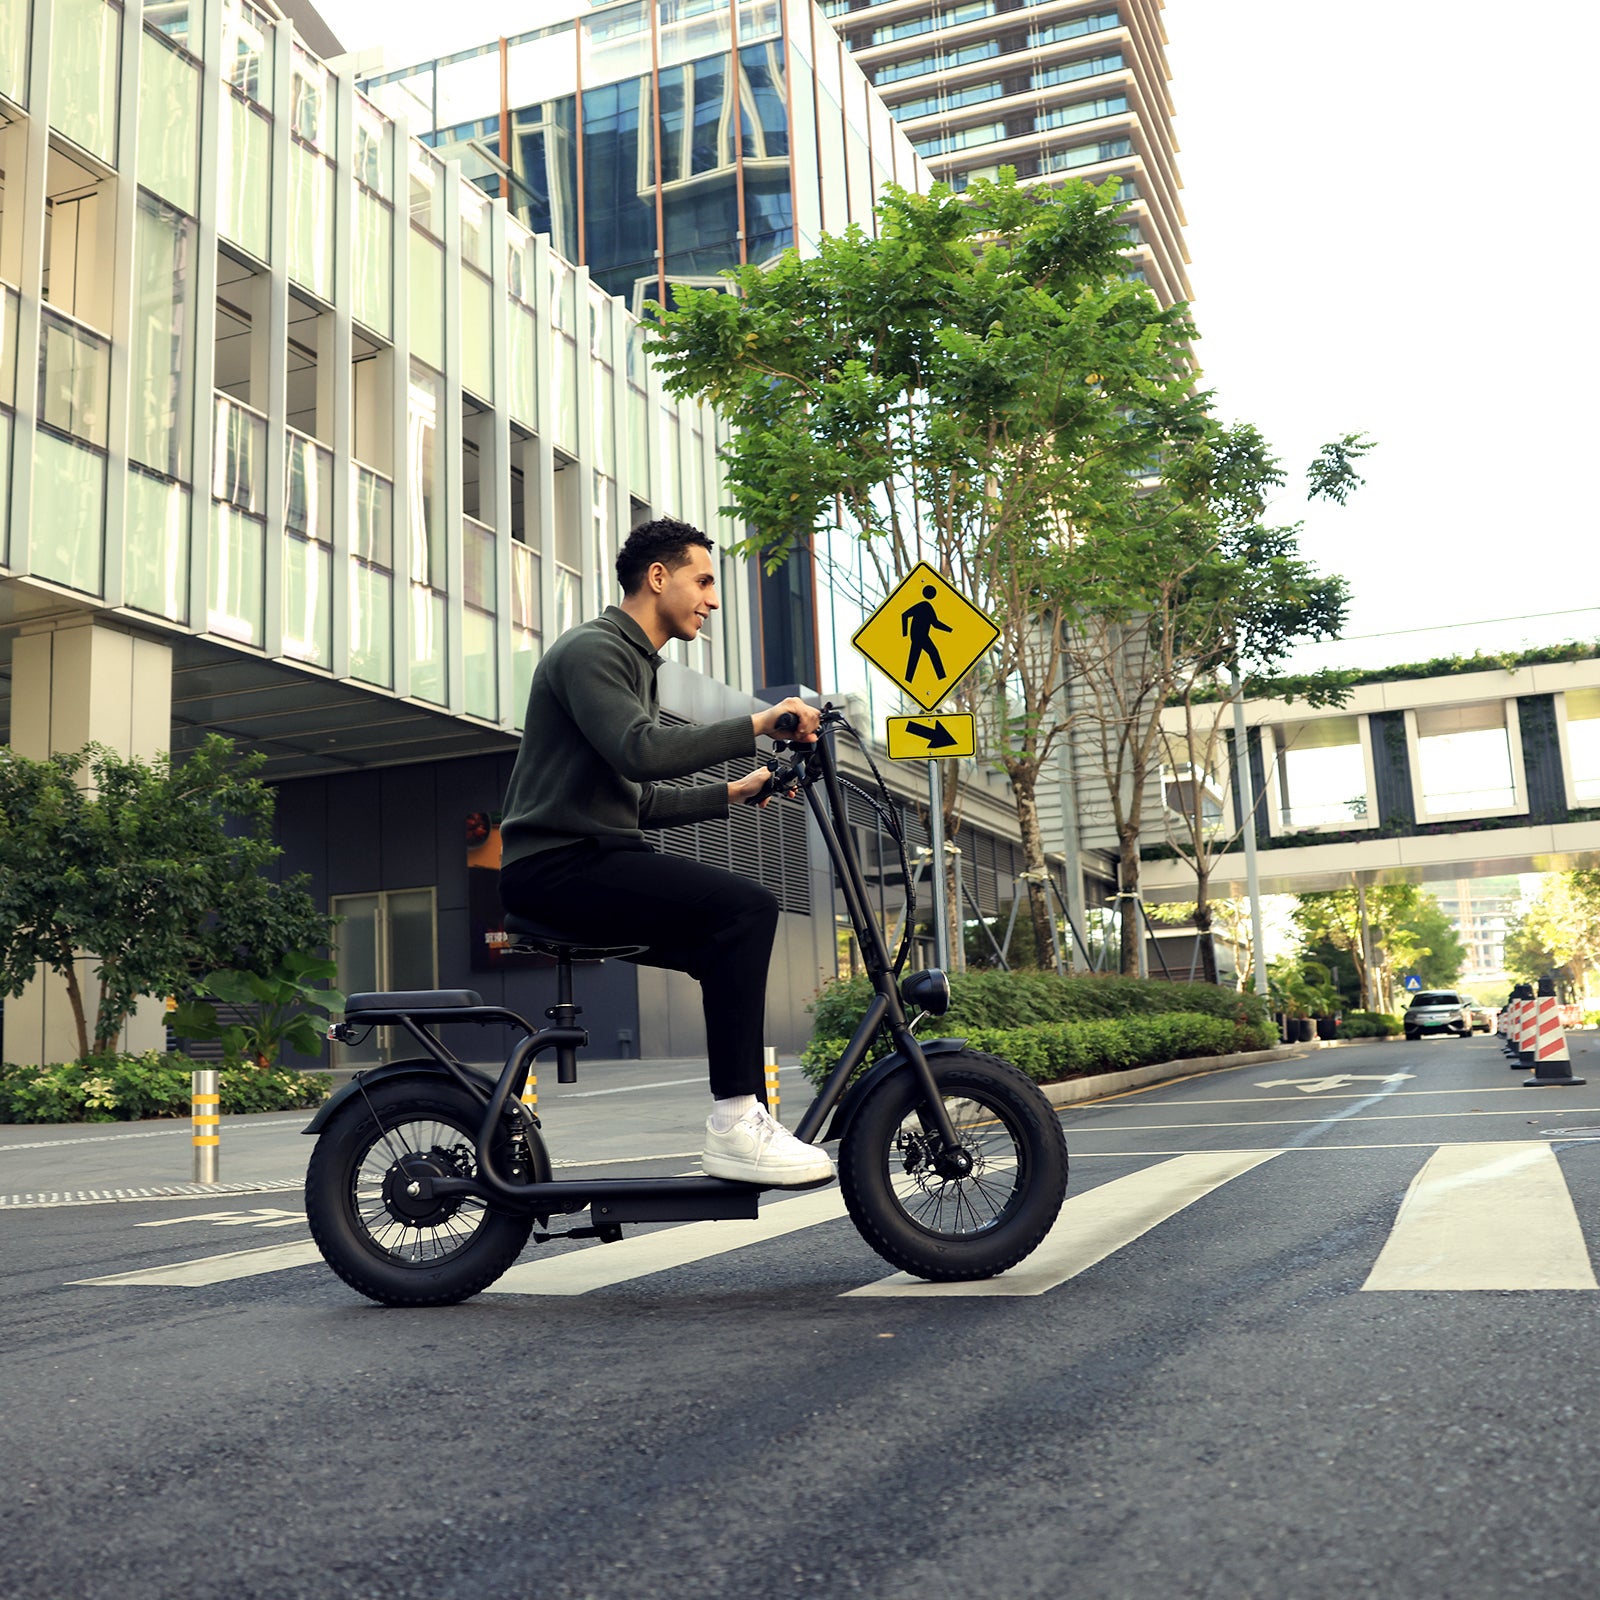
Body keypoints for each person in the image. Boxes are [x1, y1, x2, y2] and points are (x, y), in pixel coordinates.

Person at [498, 517, 833, 1186]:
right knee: (748, 909)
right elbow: (642, 754)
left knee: (726, 938)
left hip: (584, 857)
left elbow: (635, 802)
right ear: (659, 578)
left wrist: (736, 791)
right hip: (554, 869)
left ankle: (742, 1119)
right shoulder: (594, 651)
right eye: (703, 581)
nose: (711, 600)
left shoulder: (632, 663)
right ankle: (736, 1122)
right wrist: (761, 721)